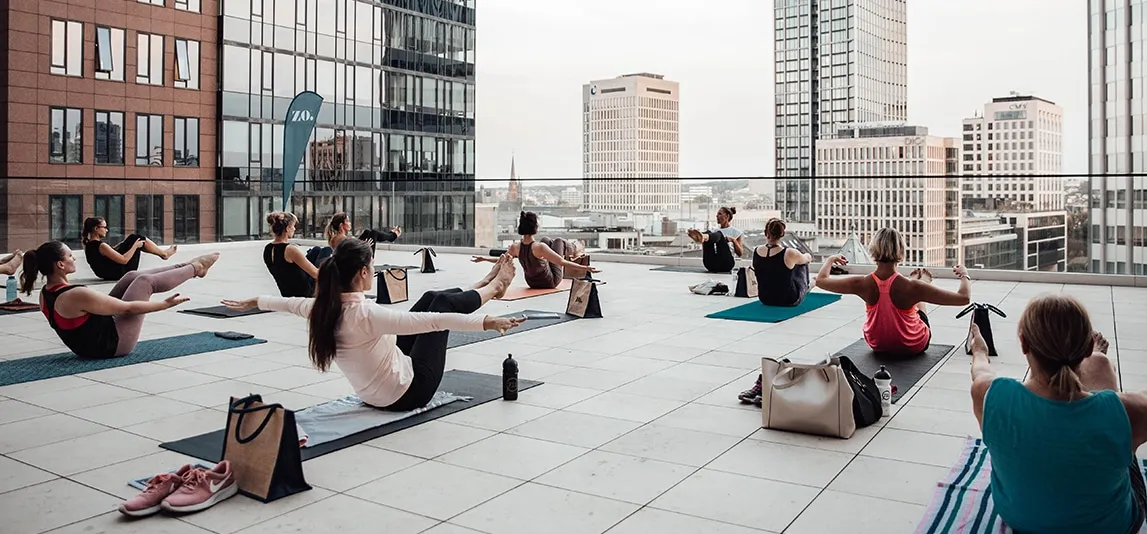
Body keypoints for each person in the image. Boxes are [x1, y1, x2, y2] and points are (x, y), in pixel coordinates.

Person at [223, 239, 525, 411]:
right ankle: (493, 289)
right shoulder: (366, 314)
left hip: (374, 393)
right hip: (409, 392)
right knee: (439, 306)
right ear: (363, 273)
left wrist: (252, 300)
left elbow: (284, 302)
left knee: (432, 296)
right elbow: (435, 321)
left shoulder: (321, 306)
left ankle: (482, 284)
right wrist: (486, 322)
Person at [970, 295, 1147, 534]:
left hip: (1023, 522)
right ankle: (1098, 362)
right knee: (1103, 374)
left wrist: (980, 350)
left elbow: (980, 370)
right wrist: (1099, 363)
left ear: (1024, 345)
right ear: (1084, 348)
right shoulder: (1130, 411)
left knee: (1107, 394)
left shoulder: (989, 394)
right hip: (1109, 527)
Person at [20, 240, 218, 359]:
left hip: (91, 345)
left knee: (131, 276)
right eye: (71, 256)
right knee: (144, 282)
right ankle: (196, 268)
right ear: (61, 264)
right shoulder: (74, 294)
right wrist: (163, 305)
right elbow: (127, 309)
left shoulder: (46, 293)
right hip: (113, 346)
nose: (74, 258)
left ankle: (187, 265)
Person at [816, 227, 970, 355]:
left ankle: (921, 284)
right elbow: (963, 298)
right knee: (917, 297)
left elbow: (821, 281)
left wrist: (830, 259)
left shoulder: (862, 283)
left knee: (915, 292)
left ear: (873, 250)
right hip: (913, 345)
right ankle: (922, 283)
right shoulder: (910, 287)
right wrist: (964, 274)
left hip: (877, 345)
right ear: (901, 251)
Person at [471, 211, 598, 290]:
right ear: (535, 227)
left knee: (546, 240)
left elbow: (501, 261)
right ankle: (578, 247)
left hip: (532, 283)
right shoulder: (539, 247)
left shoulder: (515, 247)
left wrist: (484, 259)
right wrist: (586, 268)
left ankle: (574, 248)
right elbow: (561, 262)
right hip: (551, 281)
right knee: (558, 241)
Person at [82, 217, 177, 281]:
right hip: (116, 273)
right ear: (96, 228)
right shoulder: (101, 245)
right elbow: (124, 260)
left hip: (105, 272)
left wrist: (122, 245)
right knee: (137, 239)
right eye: (104, 227)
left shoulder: (88, 244)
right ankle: (164, 254)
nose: (107, 230)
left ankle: (163, 253)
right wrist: (135, 246)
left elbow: (104, 258)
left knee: (132, 238)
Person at [754, 218, 813, 307]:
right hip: (788, 299)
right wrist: (807, 255)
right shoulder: (789, 253)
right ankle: (808, 285)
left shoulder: (757, 250)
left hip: (765, 299)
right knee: (800, 261)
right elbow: (808, 258)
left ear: (766, 233)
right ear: (782, 234)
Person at [306, 212, 401, 266]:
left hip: (351, 257)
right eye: (348, 221)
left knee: (368, 232)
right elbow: (353, 250)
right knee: (374, 234)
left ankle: (391, 235)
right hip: (357, 262)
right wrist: (366, 246)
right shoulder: (343, 239)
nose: (350, 223)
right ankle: (392, 236)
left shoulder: (336, 237)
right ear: (341, 225)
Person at [264, 212, 320, 298]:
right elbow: (316, 274)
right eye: (293, 226)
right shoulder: (290, 250)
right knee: (326, 251)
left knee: (316, 250)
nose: (294, 229)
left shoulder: (268, 249)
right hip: (304, 294)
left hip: (286, 293)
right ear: (287, 228)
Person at [687, 206, 743, 273]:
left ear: (727, 216)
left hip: (726, 264)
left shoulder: (736, 232)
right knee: (709, 233)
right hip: (710, 264)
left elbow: (740, 253)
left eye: (720, 214)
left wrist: (733, 240)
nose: (717, 216)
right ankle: (702, 236)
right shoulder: (714, 231)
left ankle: (703, 236)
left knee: (719, 234)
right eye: (717, 214)